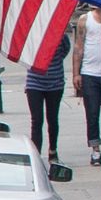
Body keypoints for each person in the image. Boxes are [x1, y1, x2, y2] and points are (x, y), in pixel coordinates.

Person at [22, 16, 70, 175]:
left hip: (55, 82)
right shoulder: (32, 36)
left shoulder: (60, 35)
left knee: (52, 118)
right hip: (34, 82)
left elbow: (65, 49)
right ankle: (36, 152)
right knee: (36, 120)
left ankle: (52, 150)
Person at [72, 7, 101, 162]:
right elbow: (78, 47)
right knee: (92, 112)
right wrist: (76, 73)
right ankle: (95, 148)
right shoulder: (85, 20)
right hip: (90, 72)